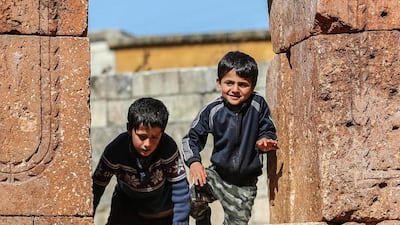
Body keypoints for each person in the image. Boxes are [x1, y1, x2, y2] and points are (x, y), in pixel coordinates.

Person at [181, 51, 279, 225]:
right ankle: (203, 219)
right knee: (190, 200)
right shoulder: (212, 110)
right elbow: (191, 138)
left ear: (253, 86)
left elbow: (268, 128)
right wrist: (194, 162)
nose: (235, 89)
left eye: (243, 84)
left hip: (244, 185)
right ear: (219, 83)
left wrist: (266, 140)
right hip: (216, 176)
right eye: (229, 83)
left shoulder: (258, 105)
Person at [92, 97, 190, 225]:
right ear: (129, 129)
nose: (147, 144)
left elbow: (181, 190)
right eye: (142, 137)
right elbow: (96, 188)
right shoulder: (115, 151)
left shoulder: (168, 148)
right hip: (126, 211)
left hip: (163, 213)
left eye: (154, 137)